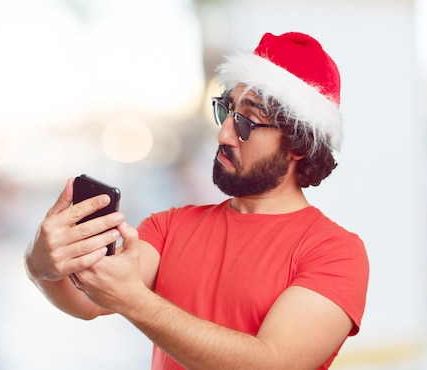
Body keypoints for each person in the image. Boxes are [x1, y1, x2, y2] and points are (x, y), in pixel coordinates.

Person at [25, 31, 369, 370]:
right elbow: (88, 302)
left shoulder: (336, 253)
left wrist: (135, 301)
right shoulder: (170, 226)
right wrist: (41, 267)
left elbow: (271, 363)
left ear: (298, 144)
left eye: (246, 123)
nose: (223, 134)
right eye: (226, 112)